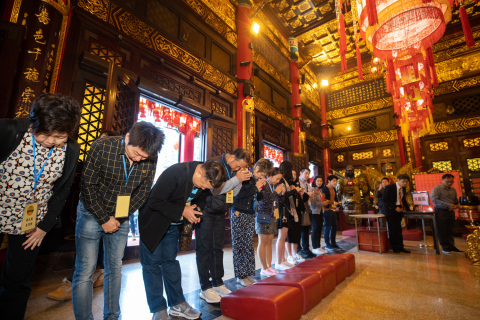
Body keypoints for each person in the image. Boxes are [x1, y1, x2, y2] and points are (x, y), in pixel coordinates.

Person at [0, 93, 82, 319]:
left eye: (60, 136)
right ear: (34, 123)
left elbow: (63, 190)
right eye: (46, 134)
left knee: (17, 280)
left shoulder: (71, 150)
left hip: (32, 222)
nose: (51, 141)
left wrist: (44, 226)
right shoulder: (9, 131)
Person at [72, 122, 165, 320]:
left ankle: (113, 316)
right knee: (85, 270)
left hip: (120, 216)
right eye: (137, 153)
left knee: (114, 267)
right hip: (91, 211)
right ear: (128, 137)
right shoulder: (102, 146)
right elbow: (88, 185)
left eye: (144, 157)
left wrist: (120, 218)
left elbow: (143, 191)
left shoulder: (150, 155)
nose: (139, 159)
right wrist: (104, 219)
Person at [138, 160, 226, 320]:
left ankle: (177, 304)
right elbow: (154, 201)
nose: (205, 189)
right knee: (152, 266)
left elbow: (202, 198)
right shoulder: (176, 173)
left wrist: (196, 210)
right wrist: (183, 210)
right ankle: (158, 309)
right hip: (153, 224)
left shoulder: (205, 179)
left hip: (172, 225)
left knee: (170, 263)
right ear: (199, 172)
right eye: (205, 184)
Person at [47, 130, 118, 302]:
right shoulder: (93, 162)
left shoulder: (118, 164)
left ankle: (88, 278)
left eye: (105, 142)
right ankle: (76, 281)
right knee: (87, 250)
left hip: (111, 213)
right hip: (90, 210)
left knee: (101, 247)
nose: (99, 146)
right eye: (98, 142)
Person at [195, 149, 252, 303]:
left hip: (220, 212)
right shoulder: (213, 162)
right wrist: (236, 179)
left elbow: (232, 193)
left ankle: (218, 282)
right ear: (232, 157)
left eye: (241, 168)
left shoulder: (234, 169)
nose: (238, 169)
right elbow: (215, 189)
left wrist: (239, 180)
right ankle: (205, 287)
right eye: (238, 165)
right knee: (204, 250)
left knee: (217, 248)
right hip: (206, 210)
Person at [231, 159, 272, 286]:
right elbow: (238, 194)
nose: (263, 176)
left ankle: (248, 274)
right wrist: (256, 187)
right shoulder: (245, 175)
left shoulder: (256, 180)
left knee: (248, 245)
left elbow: (258, 198)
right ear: (257, 168)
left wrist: (260, 188)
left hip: (250, 214)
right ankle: (240, 276)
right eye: (262, 173)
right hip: (239, 212)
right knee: (239, 245)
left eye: (265, 175)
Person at [256, 168, 285, 276]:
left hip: (272, 215)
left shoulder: (272, 186)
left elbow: (275, 201)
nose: (277, 181)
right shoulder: (264, 183)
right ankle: (264, 267)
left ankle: (269, 266)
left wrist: (281, 194)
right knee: (263, 242)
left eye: (279, 179)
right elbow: (264, 200)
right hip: (263, 214)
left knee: (269, 242)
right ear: (271, 175)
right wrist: (276, 193)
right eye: (277, 178)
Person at [279, 161, 304, 266]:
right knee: (284, 236)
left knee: (291, 234)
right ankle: (283, 259)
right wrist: (294, 191)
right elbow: (283, 196)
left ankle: (290, 255)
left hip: (292, 210)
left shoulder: (289, 181)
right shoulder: (281, 180)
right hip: (285, 211)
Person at [431, 174, 461, 254]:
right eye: (447, 182)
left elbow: (455, 200)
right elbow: (435, 200)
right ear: (442, 180)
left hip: (451, 211)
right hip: (441, 211)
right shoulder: (437, 189)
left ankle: (451, 246)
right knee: (442, 230)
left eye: (451, 182)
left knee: (450, 229)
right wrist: (448, 205)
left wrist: (455, 205)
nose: (450, 183)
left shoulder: (453, 189)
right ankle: (445, 247)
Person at [382, 174, 411, 253]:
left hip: (399, 210)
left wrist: (404, 208)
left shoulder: (403, 188)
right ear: (398, 180)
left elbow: (402, 199)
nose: (405, 183)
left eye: (406, 182)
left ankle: (401, 246)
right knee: (393, 229)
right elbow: (385, 200)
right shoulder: (389, 187)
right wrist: (394, 208)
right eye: (403, 181)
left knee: (399, 229)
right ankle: (395, 248)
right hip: (390, 210)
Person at [297, 167, 316, 258]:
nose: (307, 175)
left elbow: (309, 197)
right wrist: (307, 194)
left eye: (308, 174)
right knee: (299, 229)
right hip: (300, 209)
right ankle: (298, 249)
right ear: (300, 173)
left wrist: (311, 196)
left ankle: (306, 248)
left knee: (306, 229)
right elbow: (299, 194)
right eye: (306, 173)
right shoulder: (298, 182)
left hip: (307, 208)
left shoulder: (308, 184)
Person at [322, 175, 341, 252]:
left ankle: (333, 243)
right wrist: (333, 203)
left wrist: (337, 206)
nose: (335, 182)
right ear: (329, 181)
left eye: (336, 181)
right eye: (333, 181)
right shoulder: (324, 188)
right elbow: (323, 200)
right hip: (327, 210)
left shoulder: (333, 188)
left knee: (334, 227)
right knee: (327, 227)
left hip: (333, 210)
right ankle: (327, 244)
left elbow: (336, 198)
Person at [311, 176, 327, 255]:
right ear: (314, 181)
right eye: (318, 181)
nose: (319, 182)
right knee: (315, 229)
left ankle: (318, 246)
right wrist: (322, 203)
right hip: (314, 212)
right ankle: (314, 247)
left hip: (320, 211)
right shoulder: (312, 190)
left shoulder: (320, 190)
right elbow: (312, 203)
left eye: (321, 181)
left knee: (319, 229)